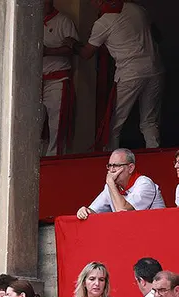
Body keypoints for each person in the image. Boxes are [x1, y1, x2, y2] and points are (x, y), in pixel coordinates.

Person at [67, 0, 163, 149]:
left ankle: (112, 159)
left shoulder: (103, 23)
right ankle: (156, 155)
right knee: (149, 121)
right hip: (155, 69)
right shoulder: (137, 9)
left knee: (113, 124)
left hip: (129, 74)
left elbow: (87, 53)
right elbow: (157, 34)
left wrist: (72, 44)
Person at [76, 149, 165, 220]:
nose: (112, 170)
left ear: (130, 168)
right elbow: (94, 210)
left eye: (116, 166)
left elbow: (123, 212)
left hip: (154, 233)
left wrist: (111, 183)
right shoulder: (111, 186)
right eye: (110, 166)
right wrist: (85, 211)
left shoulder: (144, 183)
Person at [41, 0, 78, 157]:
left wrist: (47, 51)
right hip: (34, 82)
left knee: (57, 126)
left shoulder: (63, 21)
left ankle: (54, 161)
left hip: (57, 79)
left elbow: (72, 48)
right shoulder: (30, 20)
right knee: (34, 126)